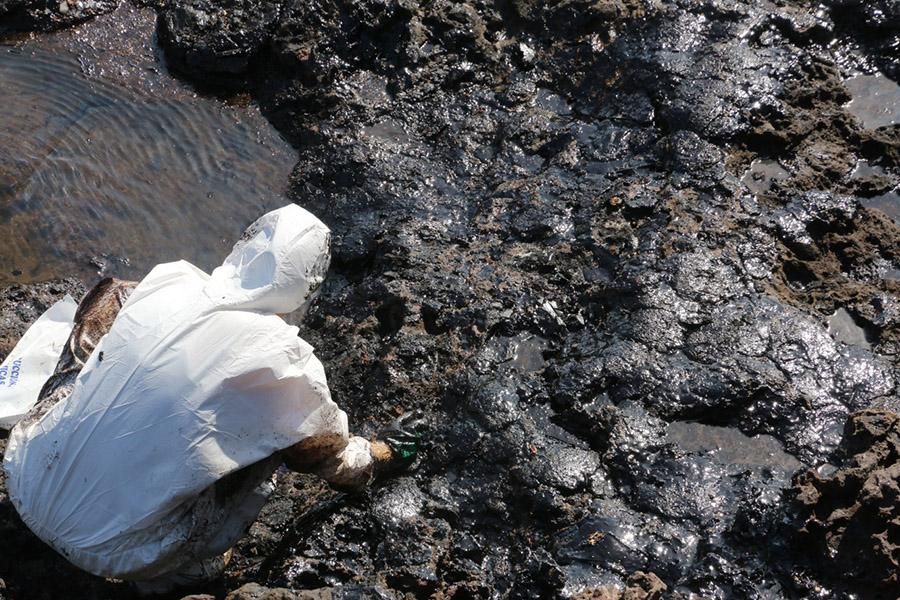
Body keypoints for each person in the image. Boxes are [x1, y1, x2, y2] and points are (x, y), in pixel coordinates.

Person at [2, 204, 420, 593]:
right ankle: (181, 570)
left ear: (243, 247)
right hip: (108, 553)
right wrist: (385, 454)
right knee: (277, 438)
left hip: (22, 475)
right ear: (306, 286)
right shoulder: (286, 366)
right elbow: (332, 459)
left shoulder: (165, 283)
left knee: (95, 347)